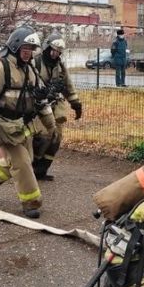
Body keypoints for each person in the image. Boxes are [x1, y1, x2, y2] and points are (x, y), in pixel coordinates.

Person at [0, 26, 57, 219]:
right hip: (1, 125)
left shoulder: (30, 70)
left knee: (22, 159)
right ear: (15, 46)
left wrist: (51, 125)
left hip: (20, 125)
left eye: (31, 49)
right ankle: (31, 203)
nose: (28, 53)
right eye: (25, 48)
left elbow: (40, 99)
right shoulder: (0, 68)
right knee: (23, 163)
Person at [31, 31, 83, 181]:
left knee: (56, 138)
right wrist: (41, 92)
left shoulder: (60, 66)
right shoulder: (36, 63)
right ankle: (30, 168)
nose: (55, 54)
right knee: (42, 137)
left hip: (55, 106)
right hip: (38, 108)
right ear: (47, 47)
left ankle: (41, 170)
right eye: (54, 50)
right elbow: (27, 83)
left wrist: (76, 104)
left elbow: (68, 86)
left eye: (59, 52)